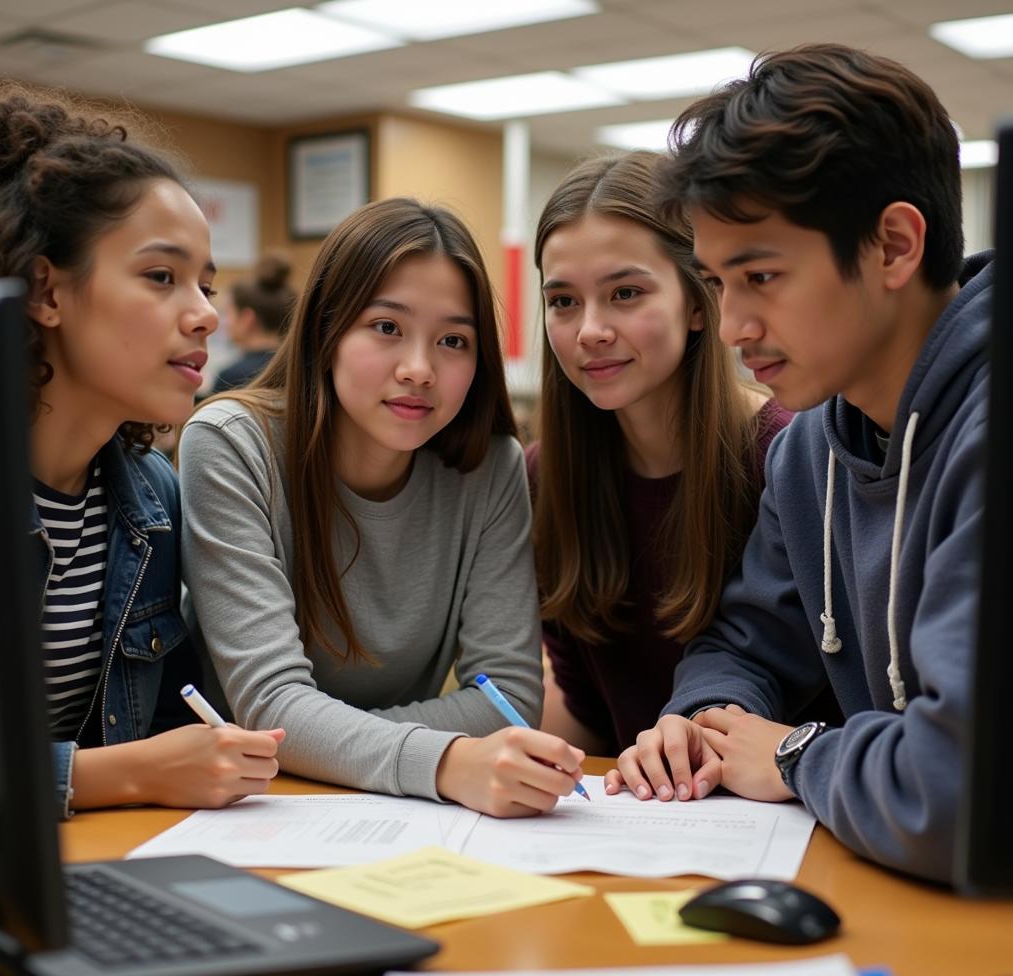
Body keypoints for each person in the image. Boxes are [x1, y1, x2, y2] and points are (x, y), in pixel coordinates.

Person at [606, 45, 989, 884]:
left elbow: (962, 794)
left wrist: (792, 754)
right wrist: (707, 719)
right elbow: (745, 641)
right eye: (716, 282)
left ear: (893, 245)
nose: (734, 324)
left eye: (763, 276)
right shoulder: (810, 447)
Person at [179, 197, 584, 818]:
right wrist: (443, 759)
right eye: (387, 327)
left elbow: (508, 698)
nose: (420, 369)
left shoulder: (489, 464)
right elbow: (269, 703)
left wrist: (329, 739)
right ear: (327, 329)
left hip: (394, 811)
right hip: (249, 807)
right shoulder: (231, 443)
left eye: (454, 340)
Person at [0, 86, 285, 818]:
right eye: (162, 277)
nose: (208, 313)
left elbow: (166, 724)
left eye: (207, 285)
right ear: (44, 291)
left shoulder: (150, 496)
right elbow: (140, 764)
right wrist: (123, 775)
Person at [528, 151, 791, 758]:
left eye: (625, 293)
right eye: (563, 301)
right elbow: (591, 717)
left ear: (699, 302)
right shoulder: (547, 475)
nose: (589, 329)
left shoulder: (787, 456)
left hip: (779, 822)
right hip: (637, 819)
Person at [210, 253, 294, 394]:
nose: (224, 322)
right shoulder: (299, 368)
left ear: (247, 319)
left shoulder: (231, 377)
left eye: (227, 313)